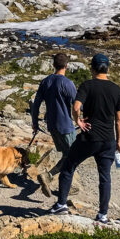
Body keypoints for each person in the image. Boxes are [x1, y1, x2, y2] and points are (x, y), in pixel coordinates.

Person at [50, 53, 120, 224]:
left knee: (69, 166)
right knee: (104, 176)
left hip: (89, 137)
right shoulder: (116, 89)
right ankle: (102, 215)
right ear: (108, 69)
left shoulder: (87, 85)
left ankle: (61, 204)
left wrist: (79, 121)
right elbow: (119, 120)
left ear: (92, 68)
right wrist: (118, 141)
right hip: (108, 140)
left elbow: (76, 107)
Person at [31, 52, 77, 196]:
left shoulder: (46, 81)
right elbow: (77, 105)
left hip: (52, 125)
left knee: (67, 155)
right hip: (66, 125)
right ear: (66, 65)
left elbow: (36, 103)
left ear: (53, 65)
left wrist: (34, 122)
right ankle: (50, 177)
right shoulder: (67, 83)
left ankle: (66, 184)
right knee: (72, 156)